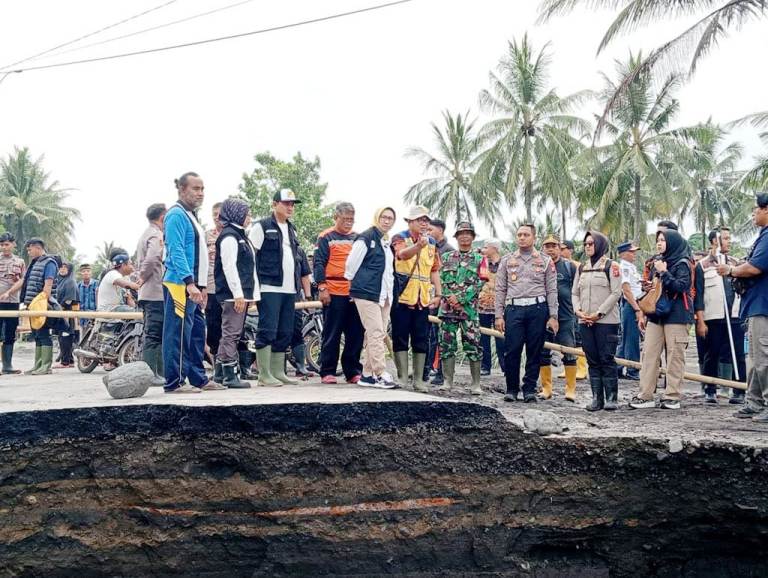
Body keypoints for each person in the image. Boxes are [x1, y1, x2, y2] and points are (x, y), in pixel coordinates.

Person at [162, 172, 217, 394]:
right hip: (179, 284)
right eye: (196, 188)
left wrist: (200, 287)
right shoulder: (176, 215)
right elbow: (176, 251)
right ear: (182, 190)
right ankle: (174, 381)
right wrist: (189, 283)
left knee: (195, 333)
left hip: (194, 287)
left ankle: (197, 376)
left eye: (202, 188)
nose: (200, 193)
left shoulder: (190, 215)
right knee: (178, 334)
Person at [630, 230, 694, 410]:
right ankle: (645, 394)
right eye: (658, 240)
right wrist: (650, 284)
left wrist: (664, 273)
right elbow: (657, 288)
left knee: (675, 356)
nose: (659, 243)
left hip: (677, 315)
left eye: (663, 240)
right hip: (657, 314)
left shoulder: (683, 263)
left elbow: (682, 286)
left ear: (673, 242)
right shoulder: (656, 263)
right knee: (649, 353)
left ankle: (672, 395)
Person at [495, 224, 558, 403]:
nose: (522, 238)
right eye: (519, 235)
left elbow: (552, 290)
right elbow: (500, 289)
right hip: (514, 309)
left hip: (538, 309)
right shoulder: (507, 260)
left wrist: (553, 316)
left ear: (534, 238)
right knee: (512, 350)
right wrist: (499, 315)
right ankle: (512, 389)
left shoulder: (545, 261)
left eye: (526, 235)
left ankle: (529, 389)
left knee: (534, 351)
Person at [719, 193, 768, 422]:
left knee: (762, 357)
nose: (753, 213)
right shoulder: (762, 236)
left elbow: (754, 268)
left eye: (756, 209)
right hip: (756, 303)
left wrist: (731, 270)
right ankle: (755, 401)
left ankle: (763, 402)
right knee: (756, 356)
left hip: (763, 304)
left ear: (766, 210)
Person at [249, 188, 303, 387]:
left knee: (285, 330)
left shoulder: (292, 228)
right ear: (274, 204)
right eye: (286, 203)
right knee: (268, 329)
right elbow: (250, 257)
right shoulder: (261, 226)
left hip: (289, 288)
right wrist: (253, 288)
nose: (290, 207)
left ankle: (278, 371)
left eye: (292, 204)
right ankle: (264, 374)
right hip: (269, 286)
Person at [344, 207, 398, 388]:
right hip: (367, 292)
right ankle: (380, 372)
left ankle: (367, 374)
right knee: (375, 332)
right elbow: (351, 263)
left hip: (384, 293)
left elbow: (388, 270)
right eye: (384, 217)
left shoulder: (385, 241)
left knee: (377, 333)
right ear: (377, 218)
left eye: (390, 218)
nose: (387, 221)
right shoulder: (366, 237)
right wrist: (353, 284)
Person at [391, 206, 442, 392]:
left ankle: (418, 379)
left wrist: (438, 293)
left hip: (422, 297)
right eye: (419, 219)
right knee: (400, 336)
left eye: (426, 220)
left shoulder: (431, 242)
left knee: (421, 338)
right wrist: (417, 246)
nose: (423, 223)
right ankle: (403, 377)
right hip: (402, 296)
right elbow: (402, 255)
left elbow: (434, 269)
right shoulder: (399, 238)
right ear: (410, 221)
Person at [694, 228, 746, 404]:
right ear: (715, 241)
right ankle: (710, 389)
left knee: (737, 354)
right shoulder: (702, 265)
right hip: (713, 316)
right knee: (712, 353)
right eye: (725, 238)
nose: (729, 241)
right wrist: (701, 321)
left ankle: (739, 390)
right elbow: (698, 295)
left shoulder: (735, 263)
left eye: (729, 238)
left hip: (734, 316)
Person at [314, 202, 363, 384]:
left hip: (354, 293)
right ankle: (327, 371)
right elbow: (319, 262)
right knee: (332, 333)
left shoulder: (358, 238)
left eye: (351, 219)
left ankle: (352, 371)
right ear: (336, 217)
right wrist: (322, 287)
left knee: (355, 333)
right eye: (345, 219)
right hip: (333, 290)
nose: (348, 223)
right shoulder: (326, 237)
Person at [573, 231, 623, 411]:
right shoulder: (582, 268)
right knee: (592, 359)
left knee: (606, 359)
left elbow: (616, 293)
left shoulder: (611, 266)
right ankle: (596, 399)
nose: (587, 246)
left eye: (591, 243)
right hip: (585, 320)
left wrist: (599, 313)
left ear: (600, 245)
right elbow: (574, 293)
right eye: (585, 244)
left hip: (606, 321)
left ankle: (611, 398)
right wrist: (578, 310)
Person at [214, 197, 259, 389]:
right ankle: (230, 375)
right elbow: (229, 267)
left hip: (241, 292)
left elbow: (250, 266)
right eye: (246, 214)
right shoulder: (230, 236)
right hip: (233, 293)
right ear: (237, 214)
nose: (249, 217)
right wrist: (238, 293)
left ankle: (219, 373)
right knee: (231, 333)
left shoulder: (240, 234)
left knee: (232, 333)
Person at [438, 222, 487, 394]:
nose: (464, 236)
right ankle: (447, 381)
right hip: (447, 310)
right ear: (456, 237)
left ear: (473, 237)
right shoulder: (446, 258)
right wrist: (450, 299)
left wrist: (460, 299)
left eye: (468, 233)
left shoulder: (481, 259)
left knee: (473, 345)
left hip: (469, 311)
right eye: (461, 233)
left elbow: (480, 282)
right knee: (446, 344)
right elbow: (440, 280)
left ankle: (475, 384)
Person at [539, 234, 578, 402]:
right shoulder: (538, 266)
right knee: (542, 352)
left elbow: (578, 290)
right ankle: (546, 388)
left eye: (554, 246)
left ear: (560, 248)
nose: (550, 249)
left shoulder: (570, 267)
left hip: (565, 316)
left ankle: (570, 390)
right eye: (547, 246)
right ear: (543, 248)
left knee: (569, 352)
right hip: (542, 316)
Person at [136, 203, 167, 386]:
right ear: (162, 217)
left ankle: (159, 373)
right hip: (155, 292)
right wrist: (142, 276)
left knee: (156, 334)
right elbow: (154, 257)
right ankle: (151, 374)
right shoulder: (156, 235)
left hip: (149, 293)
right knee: (154, 335)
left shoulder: (146, 233)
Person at [18, 238, 58, 375]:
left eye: (30, 249)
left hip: (42, 304)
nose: (29, 252)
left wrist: (43, 302)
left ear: (38, 247)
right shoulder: (35, 263)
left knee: (43, 333)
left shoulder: (49, 263)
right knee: (36, 334)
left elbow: (48, 285)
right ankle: (38, 364)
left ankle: (46, 366)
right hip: (32, 304)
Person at [423, 218, 455, 385]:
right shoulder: (426, 246)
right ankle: (425, 370)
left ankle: (441, 374)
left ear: (440, 231)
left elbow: (450, 278)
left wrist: (444, 297)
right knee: (428, 336)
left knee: (441, 337)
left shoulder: (449, 251)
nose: (427, 232)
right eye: (426, 230)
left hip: (443, 299)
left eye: (430, 229)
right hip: (427, 296)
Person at [559, 239, 588, 380]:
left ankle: (582, 368)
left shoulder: (575, 266)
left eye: (563, 248)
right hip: (562, 307)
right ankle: (568, 365)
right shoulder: (556, 265)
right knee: (566, 339)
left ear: (570, 250)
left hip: (575, 306)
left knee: (577, 337)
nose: (560, 250)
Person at [478, 238, 505, 376]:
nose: (484, 249)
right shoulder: (482, 263)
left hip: (500, 305)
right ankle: (485, 366)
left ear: (494, 248)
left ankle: (504, 365)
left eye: (486, 247)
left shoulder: (505, 263)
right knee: (484, 336)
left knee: (501, 336)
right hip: (483, 305)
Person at [616, 242, 642, 380]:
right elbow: (626, 289)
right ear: (623, 254)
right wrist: (637, 308)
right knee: (631, 339)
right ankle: (633, 370)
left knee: (627, 338)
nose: (634, 254)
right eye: (631, 252)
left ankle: (617, 367)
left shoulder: (631, 267)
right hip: (631, 305)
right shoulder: (624, 268)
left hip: (633, 304)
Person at [0, 233, 25, 374]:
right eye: (2, 244)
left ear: (13, 245)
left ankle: (7, 365)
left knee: (10, 333)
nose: (4, 247)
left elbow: (22, 280)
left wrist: (9, 292)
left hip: (12, 301)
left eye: (7, 244)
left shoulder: (19, 261)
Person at [205, 202, 224, 377]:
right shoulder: (206, 236)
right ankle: (217, 368)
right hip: (210, 287)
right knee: (213, 328)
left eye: (219, 213)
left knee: (233, 329)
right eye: (214, 213)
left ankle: (236, 367)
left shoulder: (233, 234)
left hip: (229, 288)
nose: (216, 217)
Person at [53, 262, 79, 369]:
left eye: (65, 268)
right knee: (62, 337)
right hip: (60, 313)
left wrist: (61, 309)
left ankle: (65, 362)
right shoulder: (59, 280)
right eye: (61, 267)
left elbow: (69, 300)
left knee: (65, 337)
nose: (62, 269)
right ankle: (70, 360)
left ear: (70, 270)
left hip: (66, 313)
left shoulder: (70, 282)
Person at [77, 264, 98, 329]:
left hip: (94, 316)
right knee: (83, 337)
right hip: (82, 317)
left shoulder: (96, 284)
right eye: (83, 271)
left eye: (88, 271)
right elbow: (77, 302)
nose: (86, 273)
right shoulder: (78, 285)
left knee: (94, 337)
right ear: (81, 273)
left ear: (91, 272)